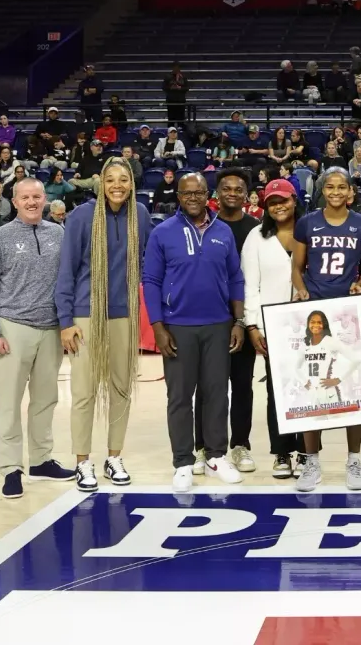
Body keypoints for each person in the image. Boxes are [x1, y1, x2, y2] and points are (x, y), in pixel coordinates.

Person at [144, 173, 248, 493]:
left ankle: (216, 456)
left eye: (198, 192)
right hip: (177, 327)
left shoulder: (223, 232)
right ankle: (183, 462)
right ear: (178, 195)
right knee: (179, 397)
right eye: (186, 193)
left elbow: (235, 278)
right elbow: (151, 281)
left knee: (217, 393)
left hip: (218, 324)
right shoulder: (162, 232)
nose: (192, 197)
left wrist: (238, 322)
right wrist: (158, 327)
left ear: (208, 195)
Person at [55, 156, 152, 492]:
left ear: (132, 182)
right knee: (83, 392)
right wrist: (65, 321)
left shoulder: (140, 214)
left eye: (123, 179)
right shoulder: (82, 216)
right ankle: (83, 461)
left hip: (124, 314)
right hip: (86, 314)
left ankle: (114, 457)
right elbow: (66, 270)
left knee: (121, 389)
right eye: (110, 179)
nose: (117, 186)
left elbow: (145, 263)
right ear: (100, 183)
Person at [0, 178, 73, 498]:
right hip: (12, 328)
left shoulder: (58, 233)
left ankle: (41, 460)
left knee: (46, 400)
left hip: (51, 330)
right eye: (25, 197)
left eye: (37, 196)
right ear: (13, 202)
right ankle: (10, 468)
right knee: (9, 404)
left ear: (45, 199)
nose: (31, 202)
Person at [290, 167, 361, 491]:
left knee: (351, 386)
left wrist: (360, 284)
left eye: (343, 187)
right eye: (331, 186)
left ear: (352, 192)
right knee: (314, 386)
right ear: (323, 190)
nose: (337, 192)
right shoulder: (307, 222)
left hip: (348, 312)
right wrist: (300, 291)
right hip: (315, 310)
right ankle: (311, 460)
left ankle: (354, 459)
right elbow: (297, 269)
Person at [191, 169, 261, 475]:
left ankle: (240, 445)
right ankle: (202, 447)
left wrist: (246, 320)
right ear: (216, 194)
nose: (232, 193)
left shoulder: (257, 230)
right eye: (226, 188)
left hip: (243, 320)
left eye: (239, 189)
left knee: (242, 385)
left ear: (246, 196)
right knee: (207, 388)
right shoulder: (204, 226)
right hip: (209, 319)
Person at [242, 179, 303, 477]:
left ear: (295, 200)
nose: (279, 206)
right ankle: (282, 452)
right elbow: (250, 286)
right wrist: (252, 324)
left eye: (284, 200)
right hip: (272, 327)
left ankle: (306, 451)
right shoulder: (256, 237)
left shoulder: (311, 231)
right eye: (272, 202)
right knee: (278, 392)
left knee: (308, 388)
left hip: (309, 325)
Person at [163, 62, 189, 128]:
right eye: (175, 67)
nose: (176, 69)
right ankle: (170, 133)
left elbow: (187, 88)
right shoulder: (167, 77)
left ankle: (182, 132)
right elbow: (164, 87)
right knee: (171, 119)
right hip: (171, 101)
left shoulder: (183, 77)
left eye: (178, 67)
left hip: (181, 101)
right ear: (172, 68)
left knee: (181, 119)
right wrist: (171, 88)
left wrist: (180, 88)